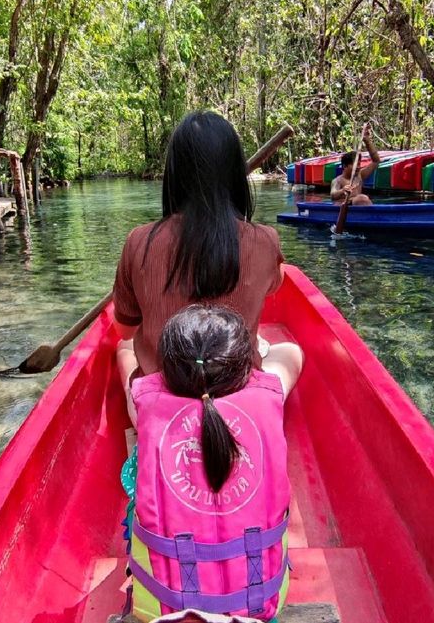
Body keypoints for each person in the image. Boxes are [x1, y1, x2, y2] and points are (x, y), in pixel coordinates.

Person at [122, 305, 303, 622]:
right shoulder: (270, 394)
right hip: (260, 606)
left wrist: (124, 349)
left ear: (167, 372)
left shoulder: (144, 404)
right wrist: (258, 348)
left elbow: (128, 370)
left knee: (133, 474)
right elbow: (292, 355)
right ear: (244, 368)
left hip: (164, 611)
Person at [113, 111, 285, 385]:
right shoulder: (266, 240)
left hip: (160, 409)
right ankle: (269, 405)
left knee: (124, 349)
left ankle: (137, 404)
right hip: (237, 401)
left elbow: (124, 327)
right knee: (290, 354)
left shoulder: (138, 242)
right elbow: (276, 283)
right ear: (234, 175)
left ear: (173, 176)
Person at [330, 123, 380, 206]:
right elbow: (333, 195)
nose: (359, 167)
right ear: (345, 166)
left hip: (358, 205)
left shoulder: (360, 175)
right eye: (355, 164)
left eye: (359, 164)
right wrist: (342, 191)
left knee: (362, 198)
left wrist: (367, 141)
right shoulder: (337, 181)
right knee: (361, 198)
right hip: (345, 207)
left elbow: (376, 161)